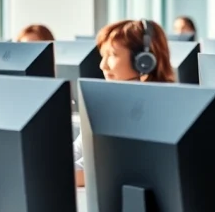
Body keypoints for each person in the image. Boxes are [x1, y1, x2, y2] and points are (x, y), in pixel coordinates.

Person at [73, 19, 174, 186]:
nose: (102, 65)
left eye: (112, 55)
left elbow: (95, 171)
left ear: (143, 61)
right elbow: (77, 151)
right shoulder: (108, 102)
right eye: (103, 55)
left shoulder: (153, 110)